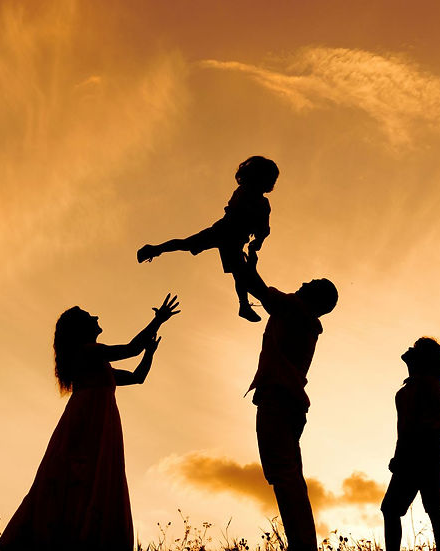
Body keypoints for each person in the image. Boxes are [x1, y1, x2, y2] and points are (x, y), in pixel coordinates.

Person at [0, 294, 180, 550]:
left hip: (96, 421)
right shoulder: (89, 352)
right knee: (85, 475)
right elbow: (130, 349)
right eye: (89, 317)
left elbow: (138, 377)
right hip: (89, 423)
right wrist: (158, 320)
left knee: (80, 478)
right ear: (82, 330)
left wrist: (149, 353)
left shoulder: (94, 362)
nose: (96, 317)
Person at [241, 251, 338, 551]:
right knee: (288, 475)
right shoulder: (301, 318)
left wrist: (245, 266)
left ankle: (302, 544)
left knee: (283, 475)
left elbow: (257, 288)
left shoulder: (294, 309)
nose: (306, 280)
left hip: (278, 400)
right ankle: (303, 541)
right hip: (289, 403)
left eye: (314, 282)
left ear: (316, 298)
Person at [137, 156, 278, 323]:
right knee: (191, 245)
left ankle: (244, 305)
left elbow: (264, 229)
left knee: (238, 272)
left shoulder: (263, 204)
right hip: (225, 231)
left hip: (234, 238)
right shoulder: (244, 192)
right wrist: (255, 231)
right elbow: (239, 212)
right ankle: (155, 249)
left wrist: (257, 241)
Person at [381, 337, 440, 551]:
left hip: (427, 451)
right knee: (391, 508)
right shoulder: (405, 391)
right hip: (408, 453)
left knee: (433, 507)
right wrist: (398, 456)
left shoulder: (429, 384)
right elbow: (402, 430)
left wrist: (428, 429)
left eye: (415, 348)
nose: (409, 349)